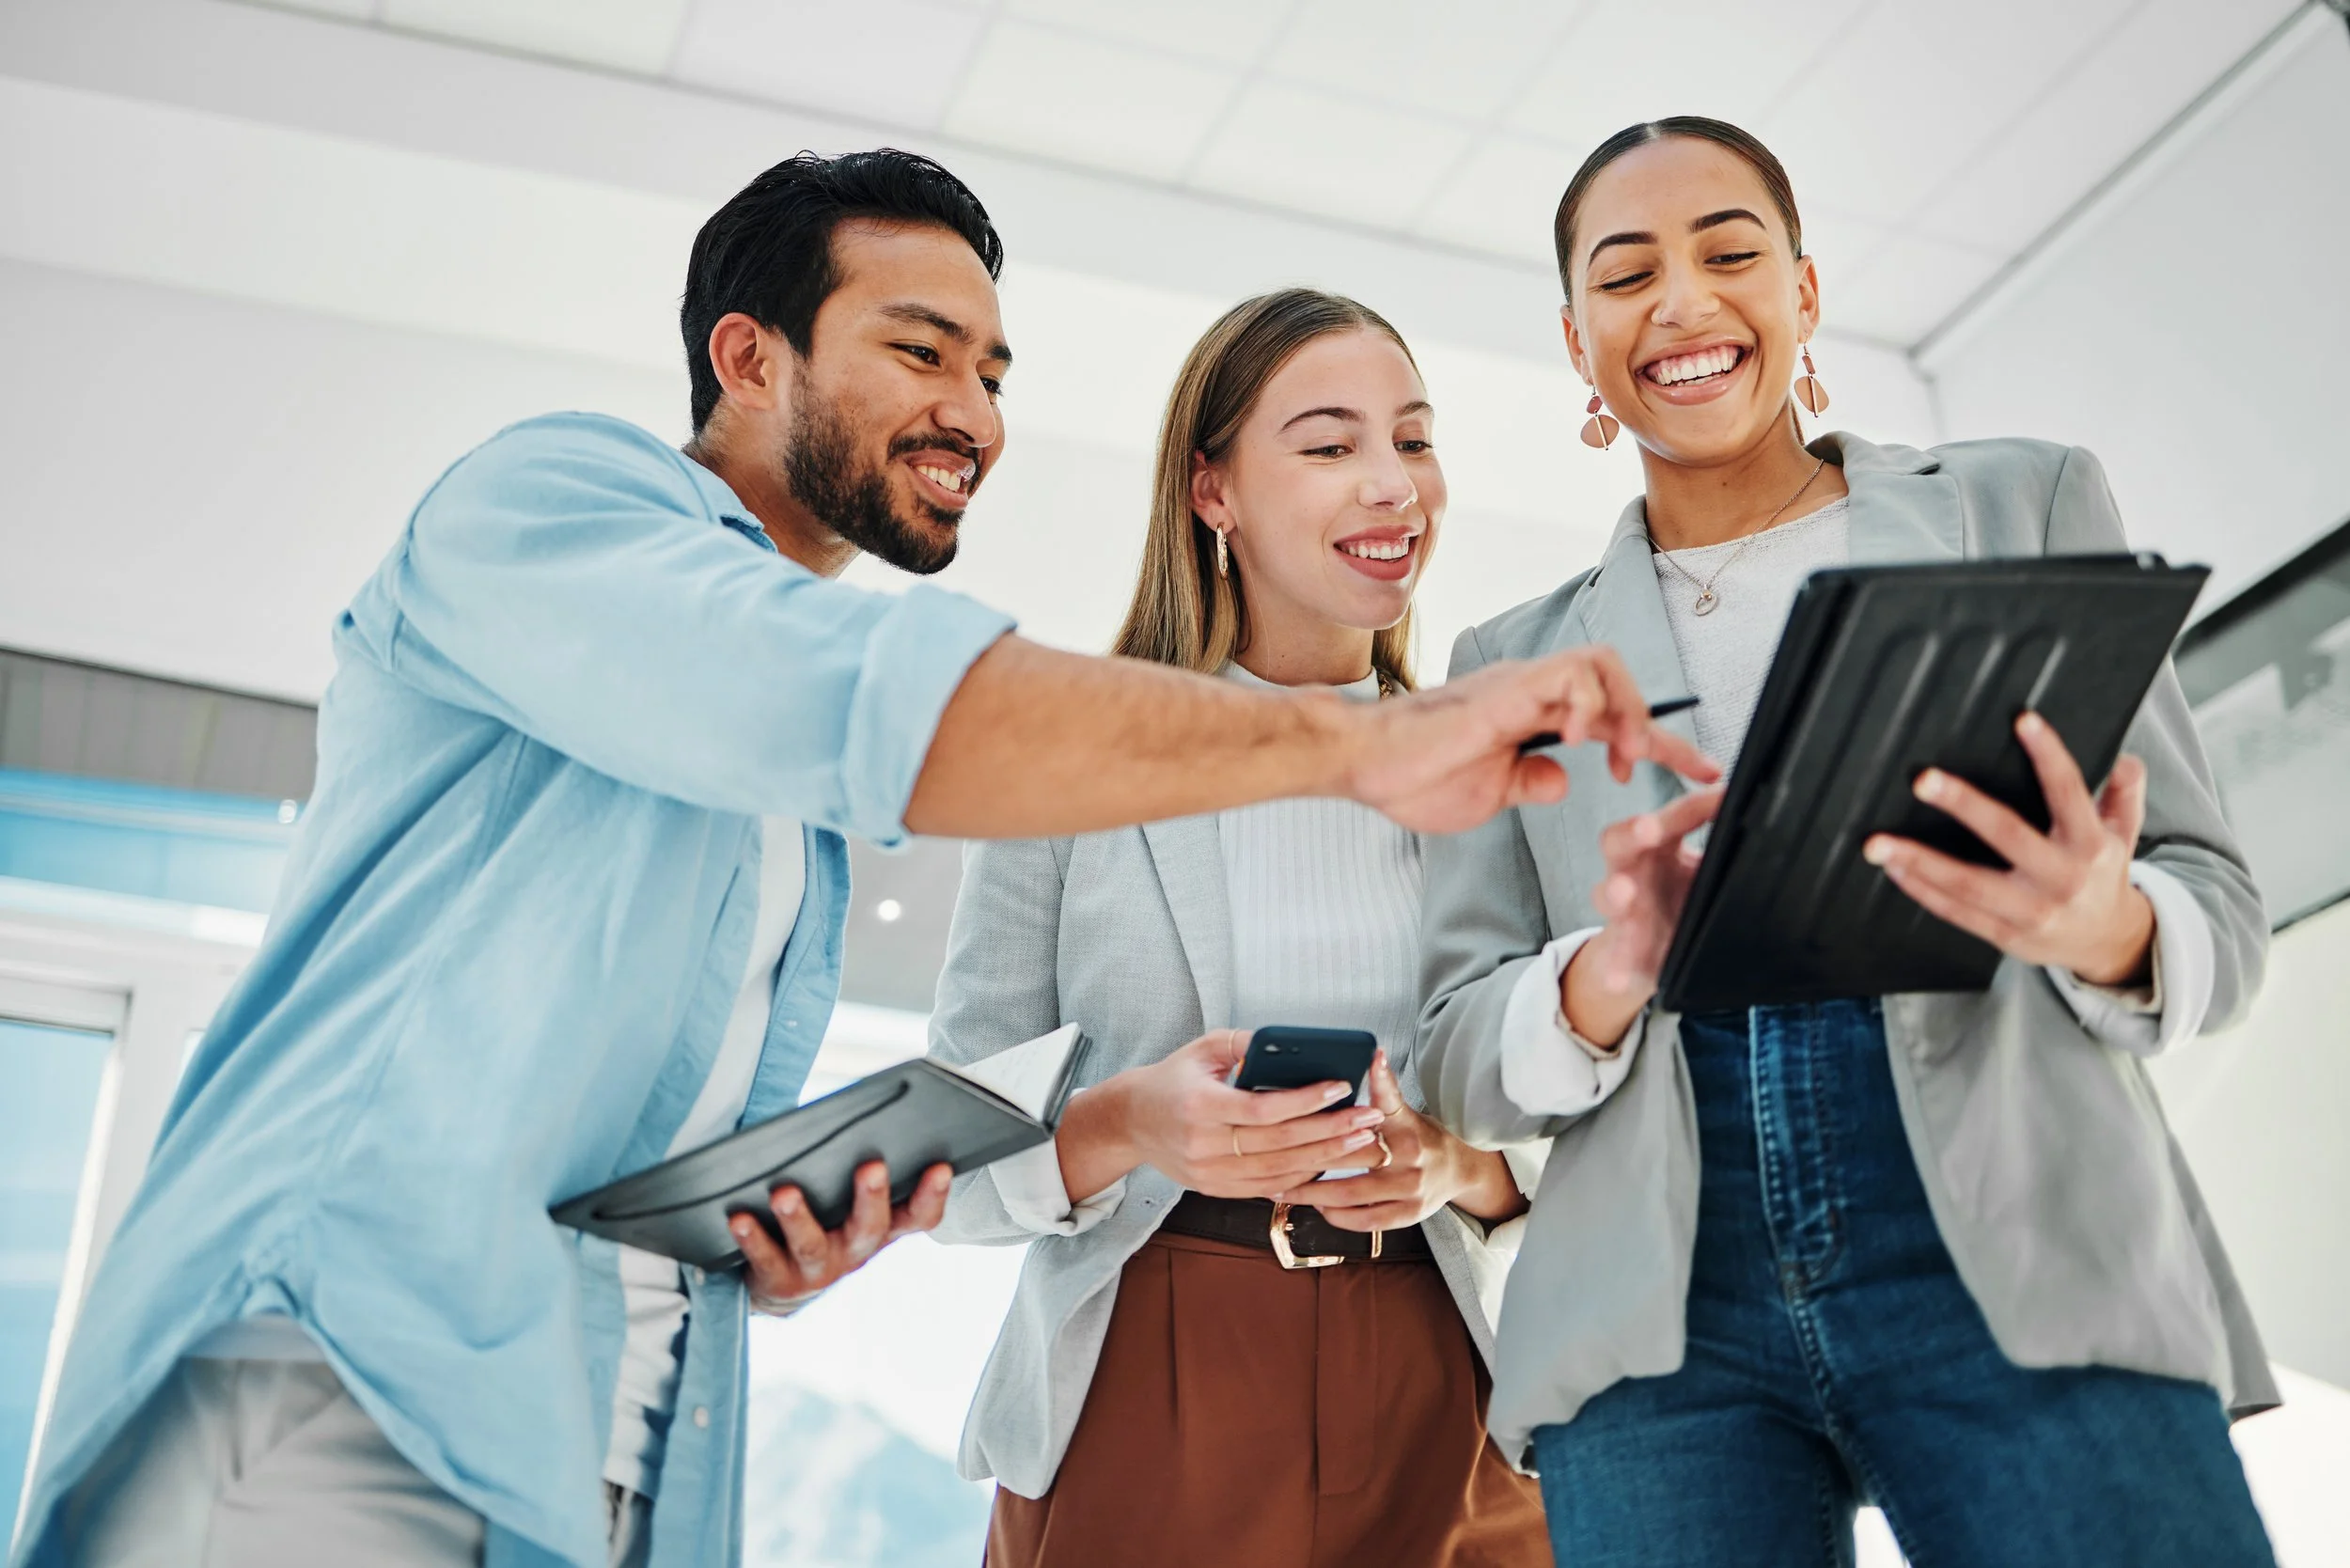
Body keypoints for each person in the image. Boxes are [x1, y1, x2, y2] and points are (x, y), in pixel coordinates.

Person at [10, 152, 1697, 1568]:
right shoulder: (560, 504)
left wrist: (801, 1216)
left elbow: (701, 1119)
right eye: (919, 352)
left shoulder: (788, 823)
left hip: (608, 1433)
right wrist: (1357, 748)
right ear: (749, 358)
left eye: (994, 373)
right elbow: (866, 710)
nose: (971, 411)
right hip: (344, 1367)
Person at [1417, 118, 2279, 1568]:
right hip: (1659, 1309)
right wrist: (1603, 975)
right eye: (1626, 278)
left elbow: (2218, 911)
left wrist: (2104, 925)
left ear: (1805, 294)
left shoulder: (2026, 503)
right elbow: (1451, 1049)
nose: (1682, 303)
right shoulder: (1507, 664)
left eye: (1730, 254)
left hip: (2018, 1236)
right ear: (1579, 343)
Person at [927, 290, 1610, 1567]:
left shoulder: (1502, 768)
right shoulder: (1071, 759)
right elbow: (952, 1162)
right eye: (1330, 442)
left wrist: (1460, 1168)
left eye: (1412, 439)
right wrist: (1134, 1120)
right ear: (1214, 491)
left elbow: (1606, 1128)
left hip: (1449, 1364)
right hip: (1148, 1365)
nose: (1391, 482)